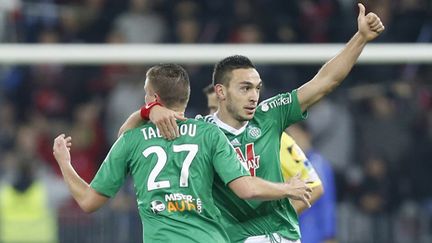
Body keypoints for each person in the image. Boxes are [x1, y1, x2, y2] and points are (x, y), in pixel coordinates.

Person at [120, 4, 384, 242]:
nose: (254, 96)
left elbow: (325, 82)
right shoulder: (200, 132)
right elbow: (125, 142)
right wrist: (148, 111)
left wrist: (360, 39)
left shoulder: (270, 116)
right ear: (221, 92)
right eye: (245, 88)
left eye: (257, 88)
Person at [52, 64, 313, 243]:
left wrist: (65, 163)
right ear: (185, 97)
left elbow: (88, 202)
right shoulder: (209, 134)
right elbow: (246, 189)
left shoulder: (131, 141)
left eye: (146, 96)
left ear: (152, 98)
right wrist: (286, 189)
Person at [205, 83, 324, 214]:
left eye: (218, 109)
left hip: (260, 232)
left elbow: (314, 187)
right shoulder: (206, 142)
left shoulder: (275, 139)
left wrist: (277, 222)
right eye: (211, 109)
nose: (213, 116)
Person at [285, 124, 337, 243]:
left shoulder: (317, 164)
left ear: (307, 135)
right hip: (295, 232)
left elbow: (327, 202)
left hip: (314, 234)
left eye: (296, 136)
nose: (293, 142)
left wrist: (329, 235)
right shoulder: (290, 163)